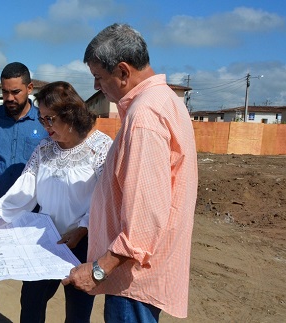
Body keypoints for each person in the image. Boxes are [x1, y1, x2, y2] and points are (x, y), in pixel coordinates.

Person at [61, 23, 198, 322]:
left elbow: (144, 221)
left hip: (132, 279)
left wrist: (99, 270)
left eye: (99, 77)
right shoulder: (165, 101)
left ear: (122, 72)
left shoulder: (144, 116)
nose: (96, 86)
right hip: (140, 272)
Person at [0, 81, 112, 323]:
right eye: (42, 119)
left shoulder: (100, 147)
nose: (45, 126)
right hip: (46, 239)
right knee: (31, 301)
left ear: (70, 115)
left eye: (50, 119)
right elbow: (27, 184)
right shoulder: (45, 148)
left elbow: (105, 197)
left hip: (82, 242)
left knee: (78, 309)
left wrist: (83, 228)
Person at [0, 62, 47, 323]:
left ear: (29, 87)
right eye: (5, 92)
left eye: (15, 92)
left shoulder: (44, 122)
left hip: (31, 214)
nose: (9, 98)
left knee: (32, 279)